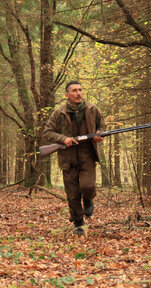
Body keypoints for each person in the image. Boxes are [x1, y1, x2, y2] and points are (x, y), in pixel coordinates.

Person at [43, 81, 106, 235]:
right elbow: (47, 133)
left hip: (87, 155)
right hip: (68, 158)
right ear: (67, 95)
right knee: (72, 194)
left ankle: (88, 199)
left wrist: (99, 134)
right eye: (74, 91)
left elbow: (102, 126)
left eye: (80, 90)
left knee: (88, 187)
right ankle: (78, 223)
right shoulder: (59, 113)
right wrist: (63, 139)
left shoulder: (92, 109)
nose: (78, 93)